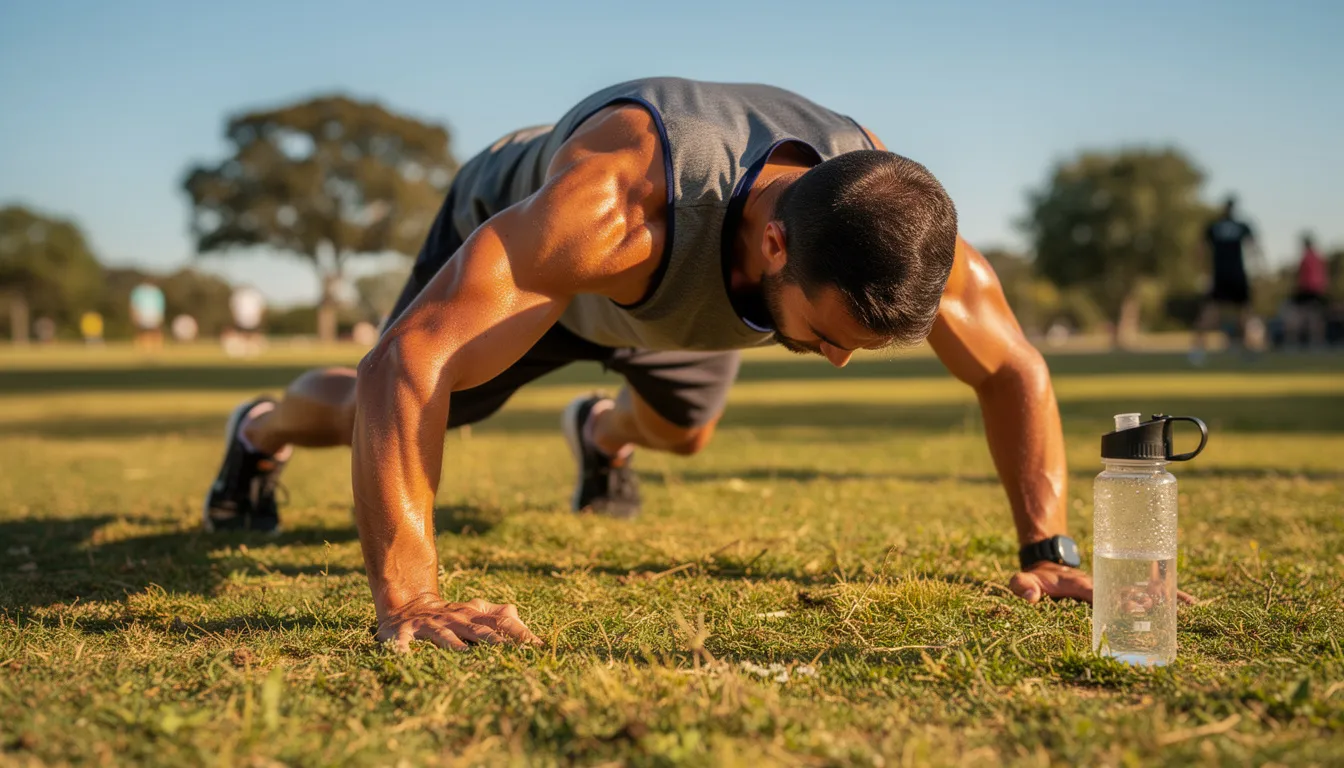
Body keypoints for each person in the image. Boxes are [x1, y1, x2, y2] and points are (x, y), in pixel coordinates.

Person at [203, 78, 1090, 652]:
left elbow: (1011, 369)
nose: (836, 364)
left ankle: (598, 436)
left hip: (668, 300)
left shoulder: (892, 221)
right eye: (828, 335)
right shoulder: (616, 202)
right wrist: (410, 598)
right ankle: (261, 432)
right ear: (775, 244)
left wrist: (1047, 551)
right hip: (542, 263)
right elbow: (404, 362)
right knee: (408, 402)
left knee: (685, 430)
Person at [1191, 195, 1260, 364]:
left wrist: (1203, 272)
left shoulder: (1214, 226)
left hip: (1220, 275)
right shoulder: (1241, 226)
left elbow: (1200, 250)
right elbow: (1254, 248)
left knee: (1211, 312)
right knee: (1244, 314)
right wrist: (1258, 271)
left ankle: (1198, 351)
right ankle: (1249, 350)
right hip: (1237, 275)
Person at [1283, 233, 1330, 349]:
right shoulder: (1319, 257)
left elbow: (1302, 276)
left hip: (1307, 290)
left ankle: (1292, 342)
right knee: (1316, 317)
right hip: (1318, 291)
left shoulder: (1306, 257)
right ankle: (1317, 342)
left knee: (1296, 315)